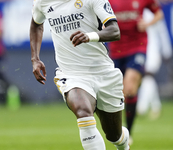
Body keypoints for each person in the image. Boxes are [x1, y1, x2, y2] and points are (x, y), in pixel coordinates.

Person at [30, 0, 130, 149]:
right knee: (82, 111)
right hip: (71, 74)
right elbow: (36, 24)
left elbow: (115, 31)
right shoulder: (43, 2)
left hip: (103, 73)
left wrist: (90, 36)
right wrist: (35, 59)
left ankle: (123, 142)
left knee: (113, 135)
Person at [108, 0, 163, 145]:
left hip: (137, 47)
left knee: (129, 88)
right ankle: (117, 129)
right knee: (117, 92)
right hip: (116, 49)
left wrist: (147, 24)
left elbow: (159, 13)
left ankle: (128, 133)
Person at [137, 8, 172, 119]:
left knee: (148, 75)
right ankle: (156, 107)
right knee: (147, 78)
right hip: (140, 49)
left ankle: (141, 107)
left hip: (153, 50)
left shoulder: (154, 13)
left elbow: (162, 34)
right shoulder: (137, 11)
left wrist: (166, 52)